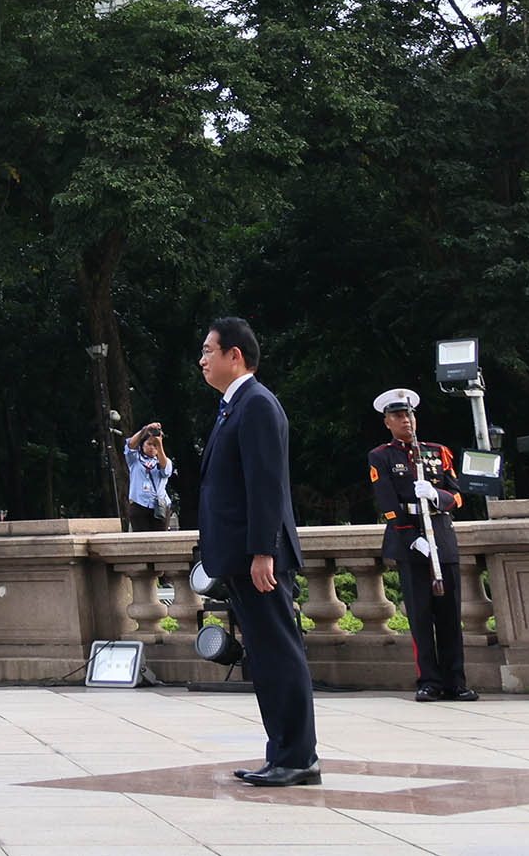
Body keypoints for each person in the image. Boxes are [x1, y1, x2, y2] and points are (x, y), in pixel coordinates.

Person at [197, 316, 318, 788]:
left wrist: (263, 551)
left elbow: (267, 487)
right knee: (265, 658)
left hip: (259, 559)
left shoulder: (257, 405)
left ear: (235, 356)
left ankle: (297, 756)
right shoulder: (234, 406)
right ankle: (284, 753)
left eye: (209, 350)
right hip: (241, 556)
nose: (203, 359)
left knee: (279, 654)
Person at [370, 387, 478, 704]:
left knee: (449, 617)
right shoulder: (381, 456)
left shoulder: (438, 452)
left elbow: (457, 496)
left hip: (441, 537)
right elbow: (388, 505)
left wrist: (435, 495)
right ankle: (429, 681)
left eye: (409, 415)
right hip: (411, 541)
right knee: (420, 617)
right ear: (387, 422)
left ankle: (456, 681)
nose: (406, 421)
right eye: (398, 416)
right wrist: (412, 539)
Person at [125, 422, 178, 530]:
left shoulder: (164, 460)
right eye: (149, 444)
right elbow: (130, 445)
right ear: (143, 444)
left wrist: (159, 444)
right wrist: (146, 429)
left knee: (161, 540)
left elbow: (165, 470)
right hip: (139, 503)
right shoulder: (135, 460)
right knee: (141, 541)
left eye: (155, 445)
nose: (152, 448)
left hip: (159, 506)